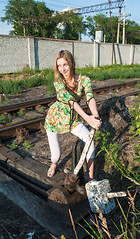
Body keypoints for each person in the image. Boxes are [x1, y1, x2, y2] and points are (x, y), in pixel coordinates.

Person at [44, 50, 102, 181]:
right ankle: (53, 164)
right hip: (55, 119)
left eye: (65, 64)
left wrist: (95, 116)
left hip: (72, 120)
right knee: (56, 156)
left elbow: (90, 98)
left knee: (89, 140)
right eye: (59, 66)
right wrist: (88, 118)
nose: (62, 69)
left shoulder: (84, 80)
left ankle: (90, 176)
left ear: (71, 63)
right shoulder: (58, 82)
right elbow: (71, 101)